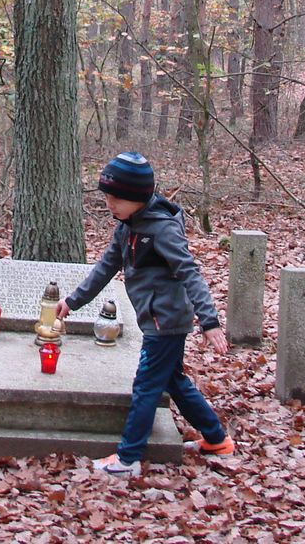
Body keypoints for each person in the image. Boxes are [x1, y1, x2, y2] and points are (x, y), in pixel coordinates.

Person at [56, 152, 233, 477]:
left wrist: (209, 322)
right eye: (107, 197)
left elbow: (189, 272)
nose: (110, 205)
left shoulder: (162, 229)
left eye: (116, 199)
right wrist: (73, 301)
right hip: (156, 320)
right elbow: (106, 267)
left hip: (165, 322)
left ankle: (127, 458)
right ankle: (217, 439)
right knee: (173, 381)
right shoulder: (127, 226)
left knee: (146, 386)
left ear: (137, 197)